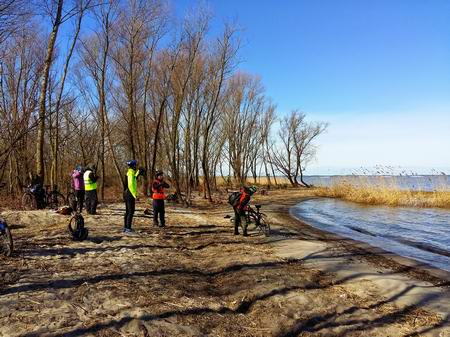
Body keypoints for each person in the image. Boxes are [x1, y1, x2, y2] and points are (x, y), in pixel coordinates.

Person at [123, 160, 144, 234]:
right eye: (135, 165)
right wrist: (135, 195)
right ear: (133, 166)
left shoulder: (130, 172)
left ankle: (125, 227)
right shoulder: (131, 173)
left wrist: (138, 172)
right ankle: (128, 228)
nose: (136, 167)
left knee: (128, 211)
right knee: (130, 211)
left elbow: (134, 178)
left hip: (126, 193)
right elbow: (131, 185)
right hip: (130, 194)